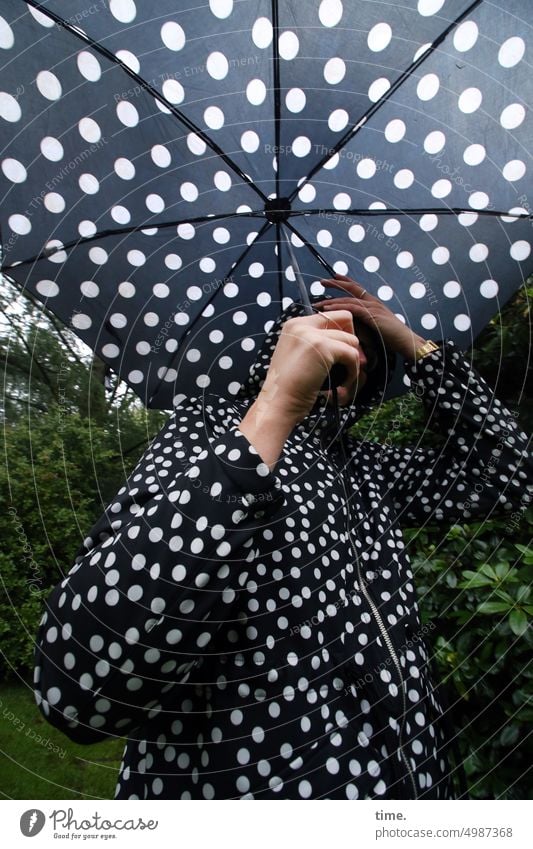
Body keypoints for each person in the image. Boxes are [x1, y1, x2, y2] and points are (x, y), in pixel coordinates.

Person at [33, 275, 532, 800]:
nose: (349, 349)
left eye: (366, 349)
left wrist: (408, 341)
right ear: (286, 346)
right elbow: (80, 691)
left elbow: (512, 475)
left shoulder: (366, 469)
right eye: (325, 331)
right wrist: (274, 406)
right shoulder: (209, 432)